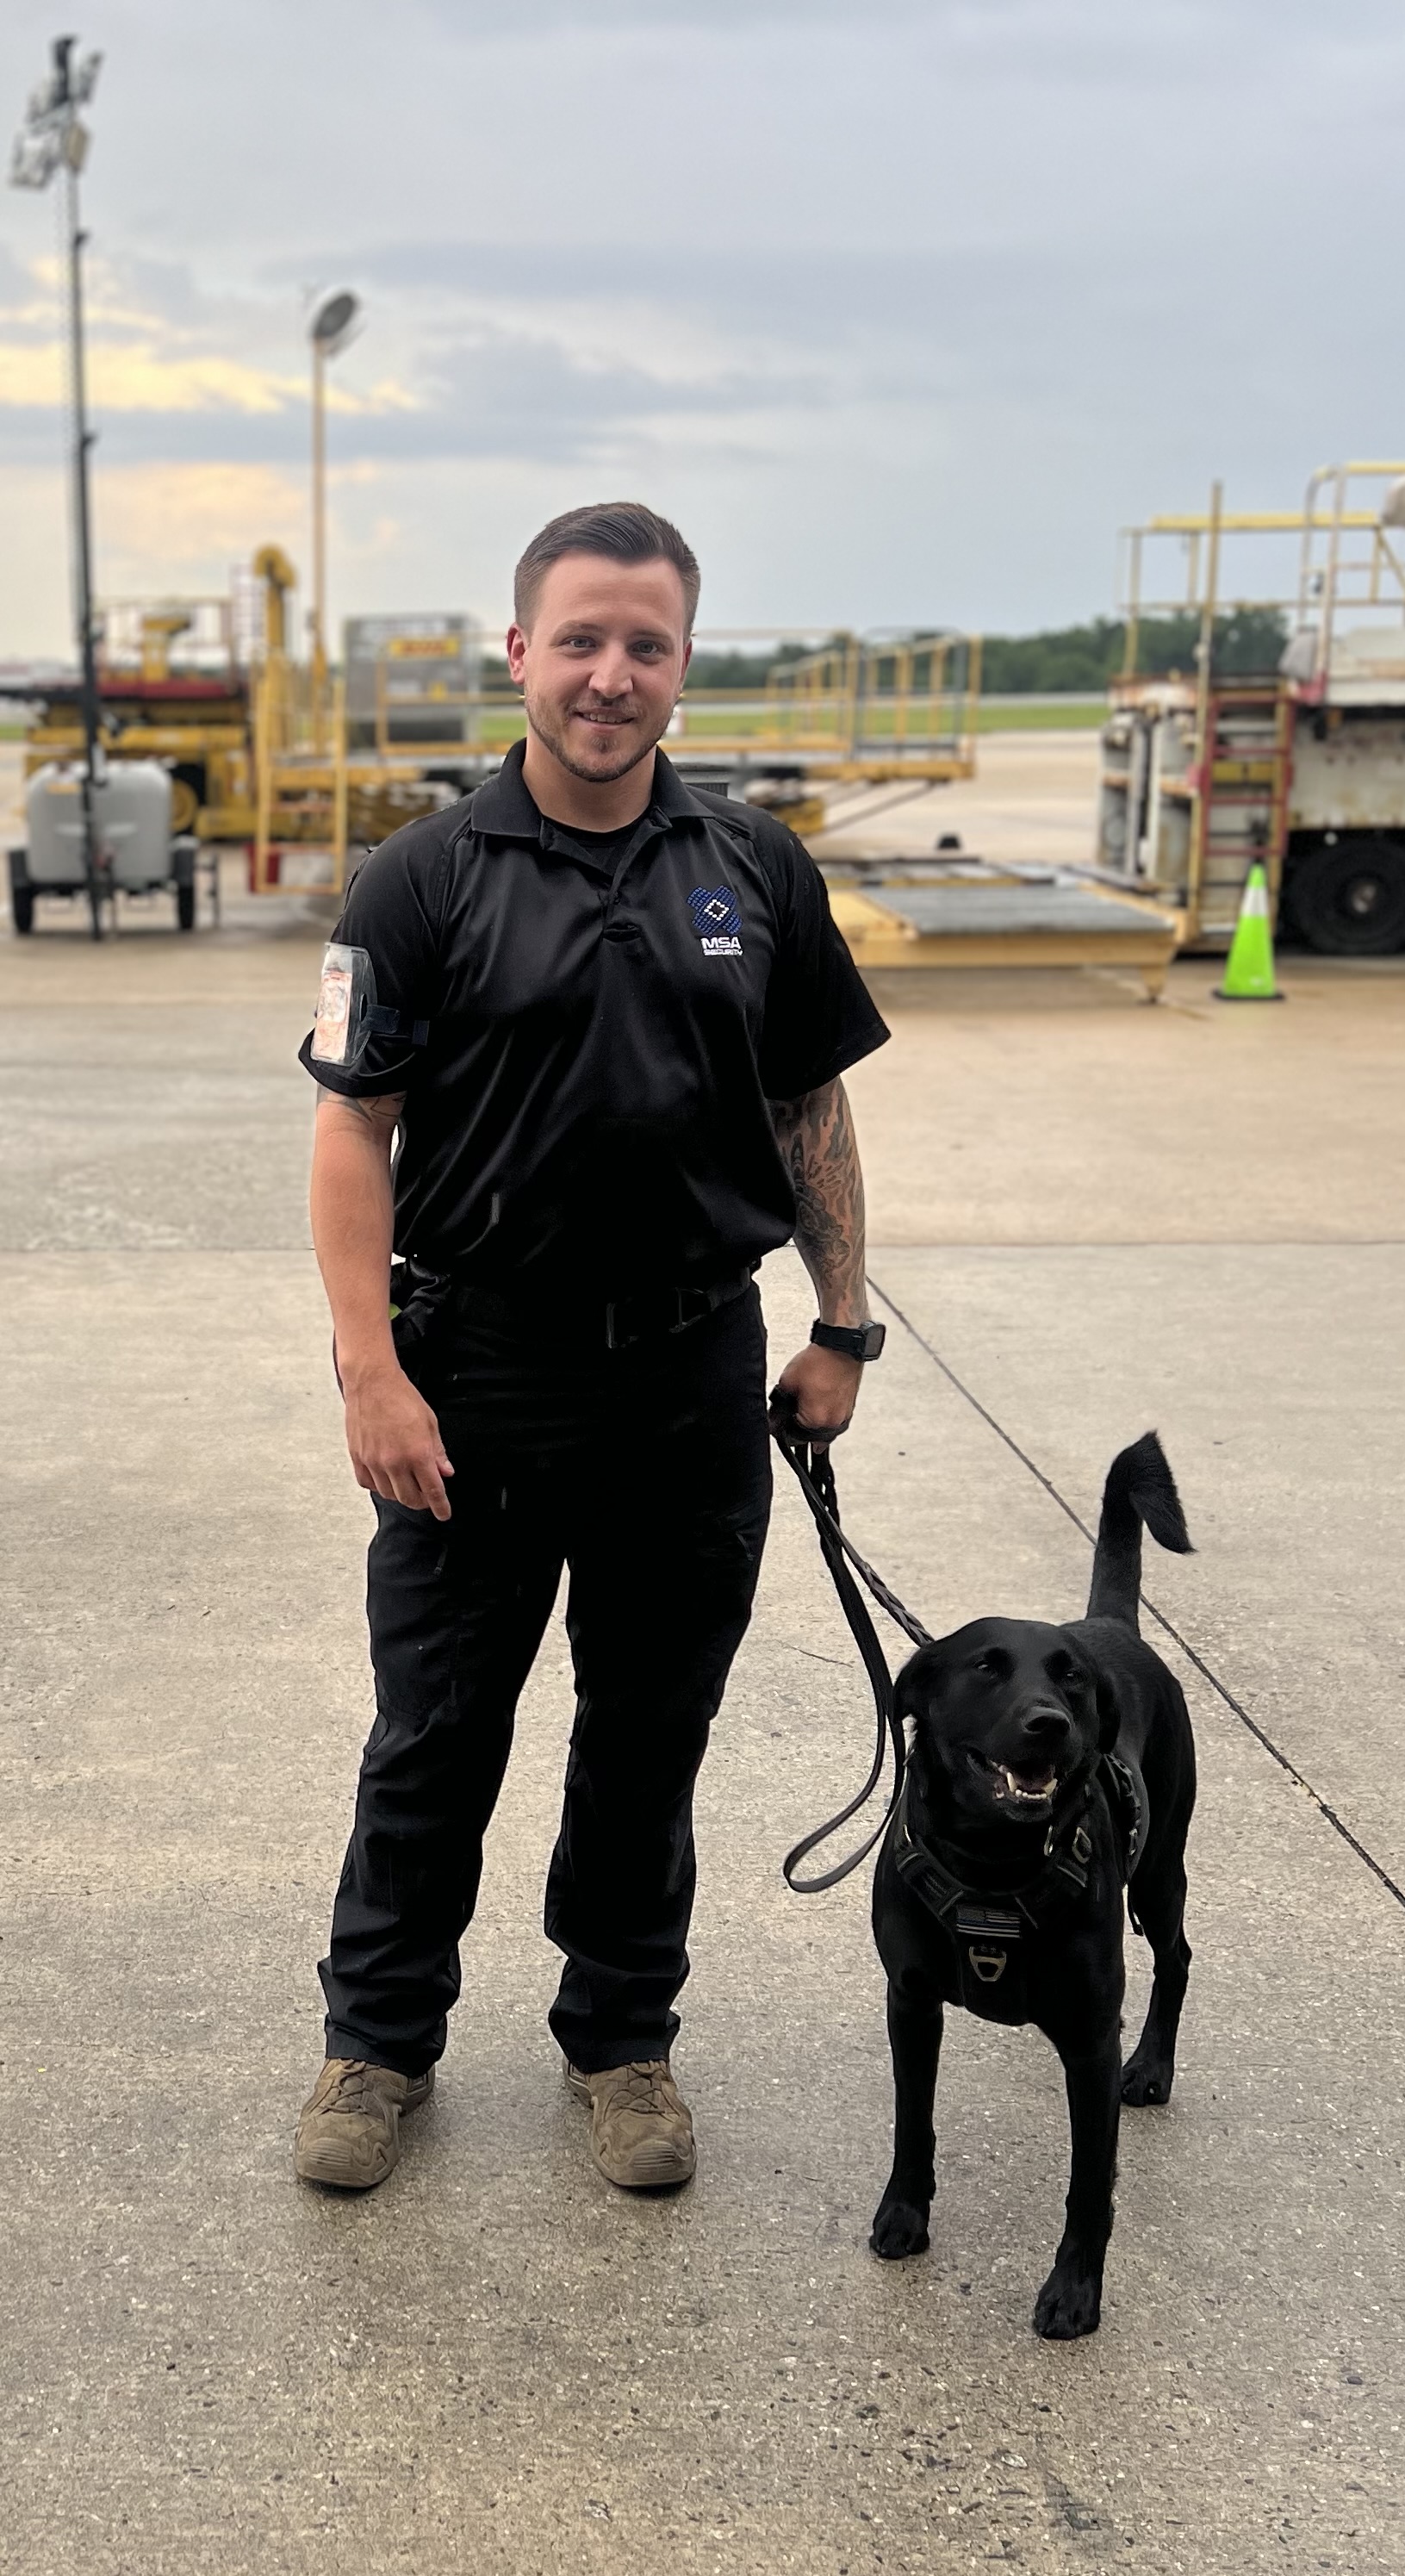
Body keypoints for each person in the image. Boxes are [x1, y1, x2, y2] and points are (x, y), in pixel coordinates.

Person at [293, 502, 889, 2194]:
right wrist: (370, 1371)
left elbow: (809, 1104)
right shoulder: (421, 880)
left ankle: (623, 2046)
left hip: (695, 1374)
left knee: (648, 1732)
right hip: (475, 1373)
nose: (609, 676)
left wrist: (842, 1324)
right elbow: (354, 1133)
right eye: (580, 641)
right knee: (436, 1734)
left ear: (684, 665)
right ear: (520, 655)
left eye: (644, 646)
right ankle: (376, 2047)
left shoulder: (756, 869)